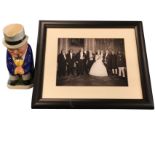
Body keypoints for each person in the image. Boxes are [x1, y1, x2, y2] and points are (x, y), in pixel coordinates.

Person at [3, 24, 34, 89]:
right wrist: (13, 70)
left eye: (18, 48)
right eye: (11, 49)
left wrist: (24, 70)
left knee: (26, 77)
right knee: (13, 77)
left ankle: (27, 80)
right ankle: (14, 79)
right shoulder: (8, 53)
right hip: (14, 70)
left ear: (26, 43)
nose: (15, 52)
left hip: (25, 70)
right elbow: (9, 62)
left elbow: (29, 61)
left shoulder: (28, 50)